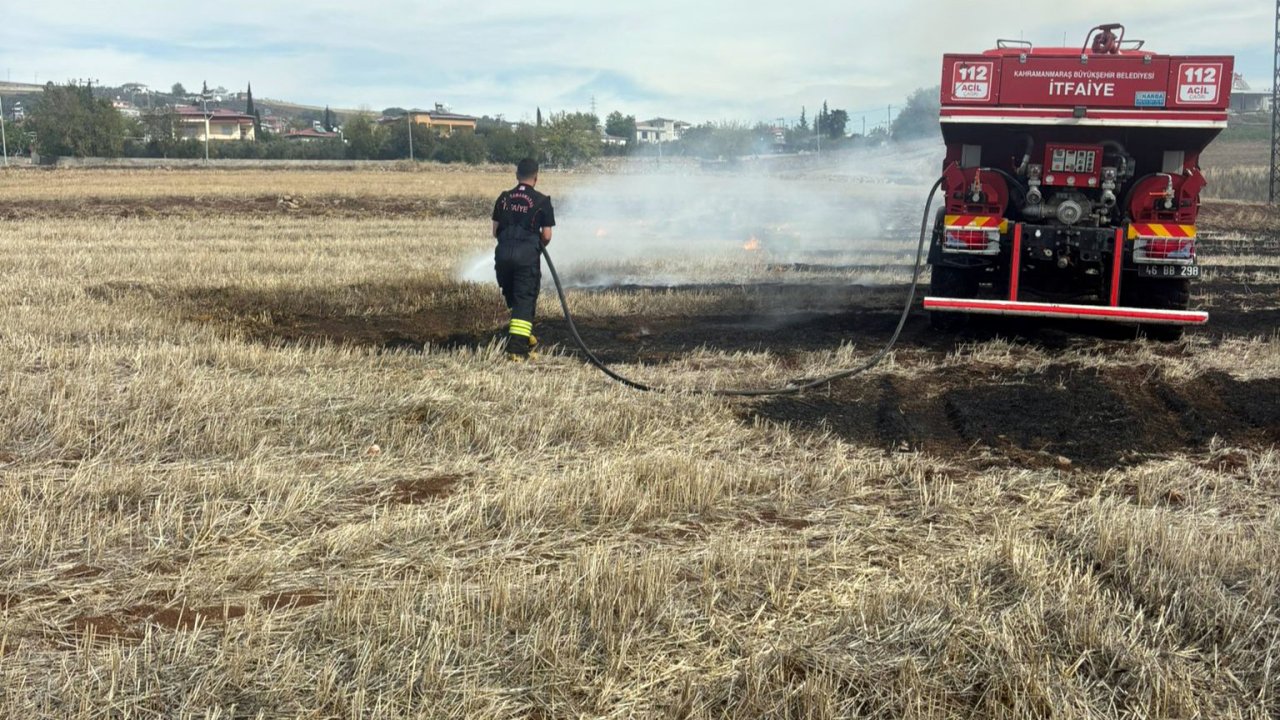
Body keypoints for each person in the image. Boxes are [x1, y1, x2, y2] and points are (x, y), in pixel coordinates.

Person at [492, 158, 556, 361]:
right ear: (536, 177)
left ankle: (523, 334)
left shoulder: (503, 198)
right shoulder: (542, 201)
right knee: (524, 300)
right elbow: (546, 236)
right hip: (526, 257)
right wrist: (533, 247)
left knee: (513, 297)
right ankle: (517, 350)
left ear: (516, 175)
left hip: (502, 255)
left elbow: (495, 231)